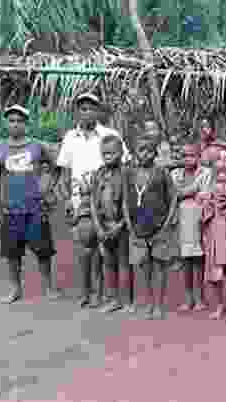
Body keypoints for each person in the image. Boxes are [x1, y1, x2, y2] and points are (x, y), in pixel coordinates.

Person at [56, 93, 130, 307]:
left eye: (90, 108)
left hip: (108, 201)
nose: (86, 112)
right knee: (86, 248)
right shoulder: (70, 137)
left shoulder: (109, 134)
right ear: (77, 112)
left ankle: (105, 294)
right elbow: (64, 175)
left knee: (106, 249)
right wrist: (68, 201)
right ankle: (86, 292)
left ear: (98, 111)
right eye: (82, 108)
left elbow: (125, 166)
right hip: (82, 201)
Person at [0, 104, 60, 303]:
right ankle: (15, 288)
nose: (15, 124)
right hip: (10, 209)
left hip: (36, 209)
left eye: (19, 121)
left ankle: (48, 287)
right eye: (11, 120)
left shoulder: (37, 147)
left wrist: (47, 188)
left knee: (43, 250)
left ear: (26, 124)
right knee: (12, 253)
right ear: (6, 123)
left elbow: (57, 168)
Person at [123, 135, 178, 319]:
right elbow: (125, 200)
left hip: (159, 226)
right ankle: (148, 302)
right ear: (135, 152)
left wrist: (168, 223)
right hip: (138, 228)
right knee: (144, 266)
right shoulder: (130, 173)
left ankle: (158, 305)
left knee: (160, 266)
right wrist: (129, 225)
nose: (144, 154)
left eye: (149, 150)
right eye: (141, 149)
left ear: (155, 153)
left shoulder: (162, 172)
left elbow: (173, 198)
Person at [198, 156, 226, 321]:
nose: (222, 175)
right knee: (215, 272)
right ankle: (219, 306)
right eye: (218, 172)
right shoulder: (210, 190)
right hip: (214, 233)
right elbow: (205, 214)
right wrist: (207, 204)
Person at [171, 143, 215, 312]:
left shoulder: (206, 172)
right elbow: (173, 194)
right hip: (181, 221)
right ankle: (187, 297)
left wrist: (184, 193)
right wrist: (193, 191)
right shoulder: (175, 174)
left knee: (199, 260)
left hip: (199, 220)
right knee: (185, 261)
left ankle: (200, 297)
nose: (187, 159)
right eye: (184, 155)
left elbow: (206, 195)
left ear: (199, 157)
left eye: (191, 155)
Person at [89, 134, 130, 313]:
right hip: (104, 226)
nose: (108, 156)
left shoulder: (127, 173)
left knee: (124, 263)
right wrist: (97, 225)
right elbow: (92, 200)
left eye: (112, 153)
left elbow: (130, 201)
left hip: (121, 227)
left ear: (121, 153)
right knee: (108, 263)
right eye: (104, 153)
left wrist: (120, 224)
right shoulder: (99, 173)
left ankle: (127, 300)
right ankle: (112, 298)